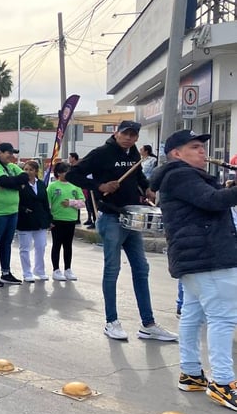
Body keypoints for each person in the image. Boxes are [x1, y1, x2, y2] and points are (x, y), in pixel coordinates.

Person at [66, 120, 177, 342]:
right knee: (112, 270)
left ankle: (148, 324)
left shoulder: (134, 153)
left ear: (136, 138)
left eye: (133, 134)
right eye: (125, 133)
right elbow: (72, 175)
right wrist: (99, 187)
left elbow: (137, 176)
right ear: (116, 133)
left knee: (141, 269)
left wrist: (147, 189)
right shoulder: (101, 153)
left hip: (130, 219)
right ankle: (111, 322)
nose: (128, 137)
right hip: (110, 217)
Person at [150, 129, 237, 410]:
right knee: (222, 318)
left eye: (202, 147)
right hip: (209, 257)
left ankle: (191, 373)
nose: (203, 152)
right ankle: (223, 383)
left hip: (196, 258)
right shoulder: (181, 174)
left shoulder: (178, 176)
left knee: (193, 314)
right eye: (195, 147)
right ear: (177, 154)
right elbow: (212, 201)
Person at [0, 143, 30, 286]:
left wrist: (13, 183)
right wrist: (15, 184)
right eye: (8, 152)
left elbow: (24, 177)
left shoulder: (11, 166)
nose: (11, 155)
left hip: (12, 211)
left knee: (7, 243)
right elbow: (4, 182)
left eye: (12, 153)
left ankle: (6, 272)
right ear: (0, 152)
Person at [47, 161, 85, 281]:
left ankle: (68, 269)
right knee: (56, 245)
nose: (67, 174)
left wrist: (71, 203)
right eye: (65, 172)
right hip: (57, 220)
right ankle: (56, 270)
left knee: (68, 245)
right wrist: (49, 219)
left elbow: (83, 203)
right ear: (58, 173)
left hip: (71, 219)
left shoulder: (75, 186)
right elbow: (47, 204)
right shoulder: (52, 186)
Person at [16, 160, 51, 283]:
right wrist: (23, 209)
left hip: (40, 220)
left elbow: (45, 203)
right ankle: (27, 272)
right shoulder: (20, 184)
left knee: (41, 246)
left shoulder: (41, 184)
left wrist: (49, 219)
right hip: (25, 220)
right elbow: (15, 201)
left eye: (31, 169)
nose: (28, 172)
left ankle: (40, 271)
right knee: (25, 248)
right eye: (25, 169)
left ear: (36, 171)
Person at [69, 151, 96, 228]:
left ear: (74, 158)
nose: (69, 159)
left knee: (90, 204)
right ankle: (89, 219)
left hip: (87, 188)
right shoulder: (72, 167)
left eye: (70, 157)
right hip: (79, 187)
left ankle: (94, 220)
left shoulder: (80, 166)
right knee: (88, 204)